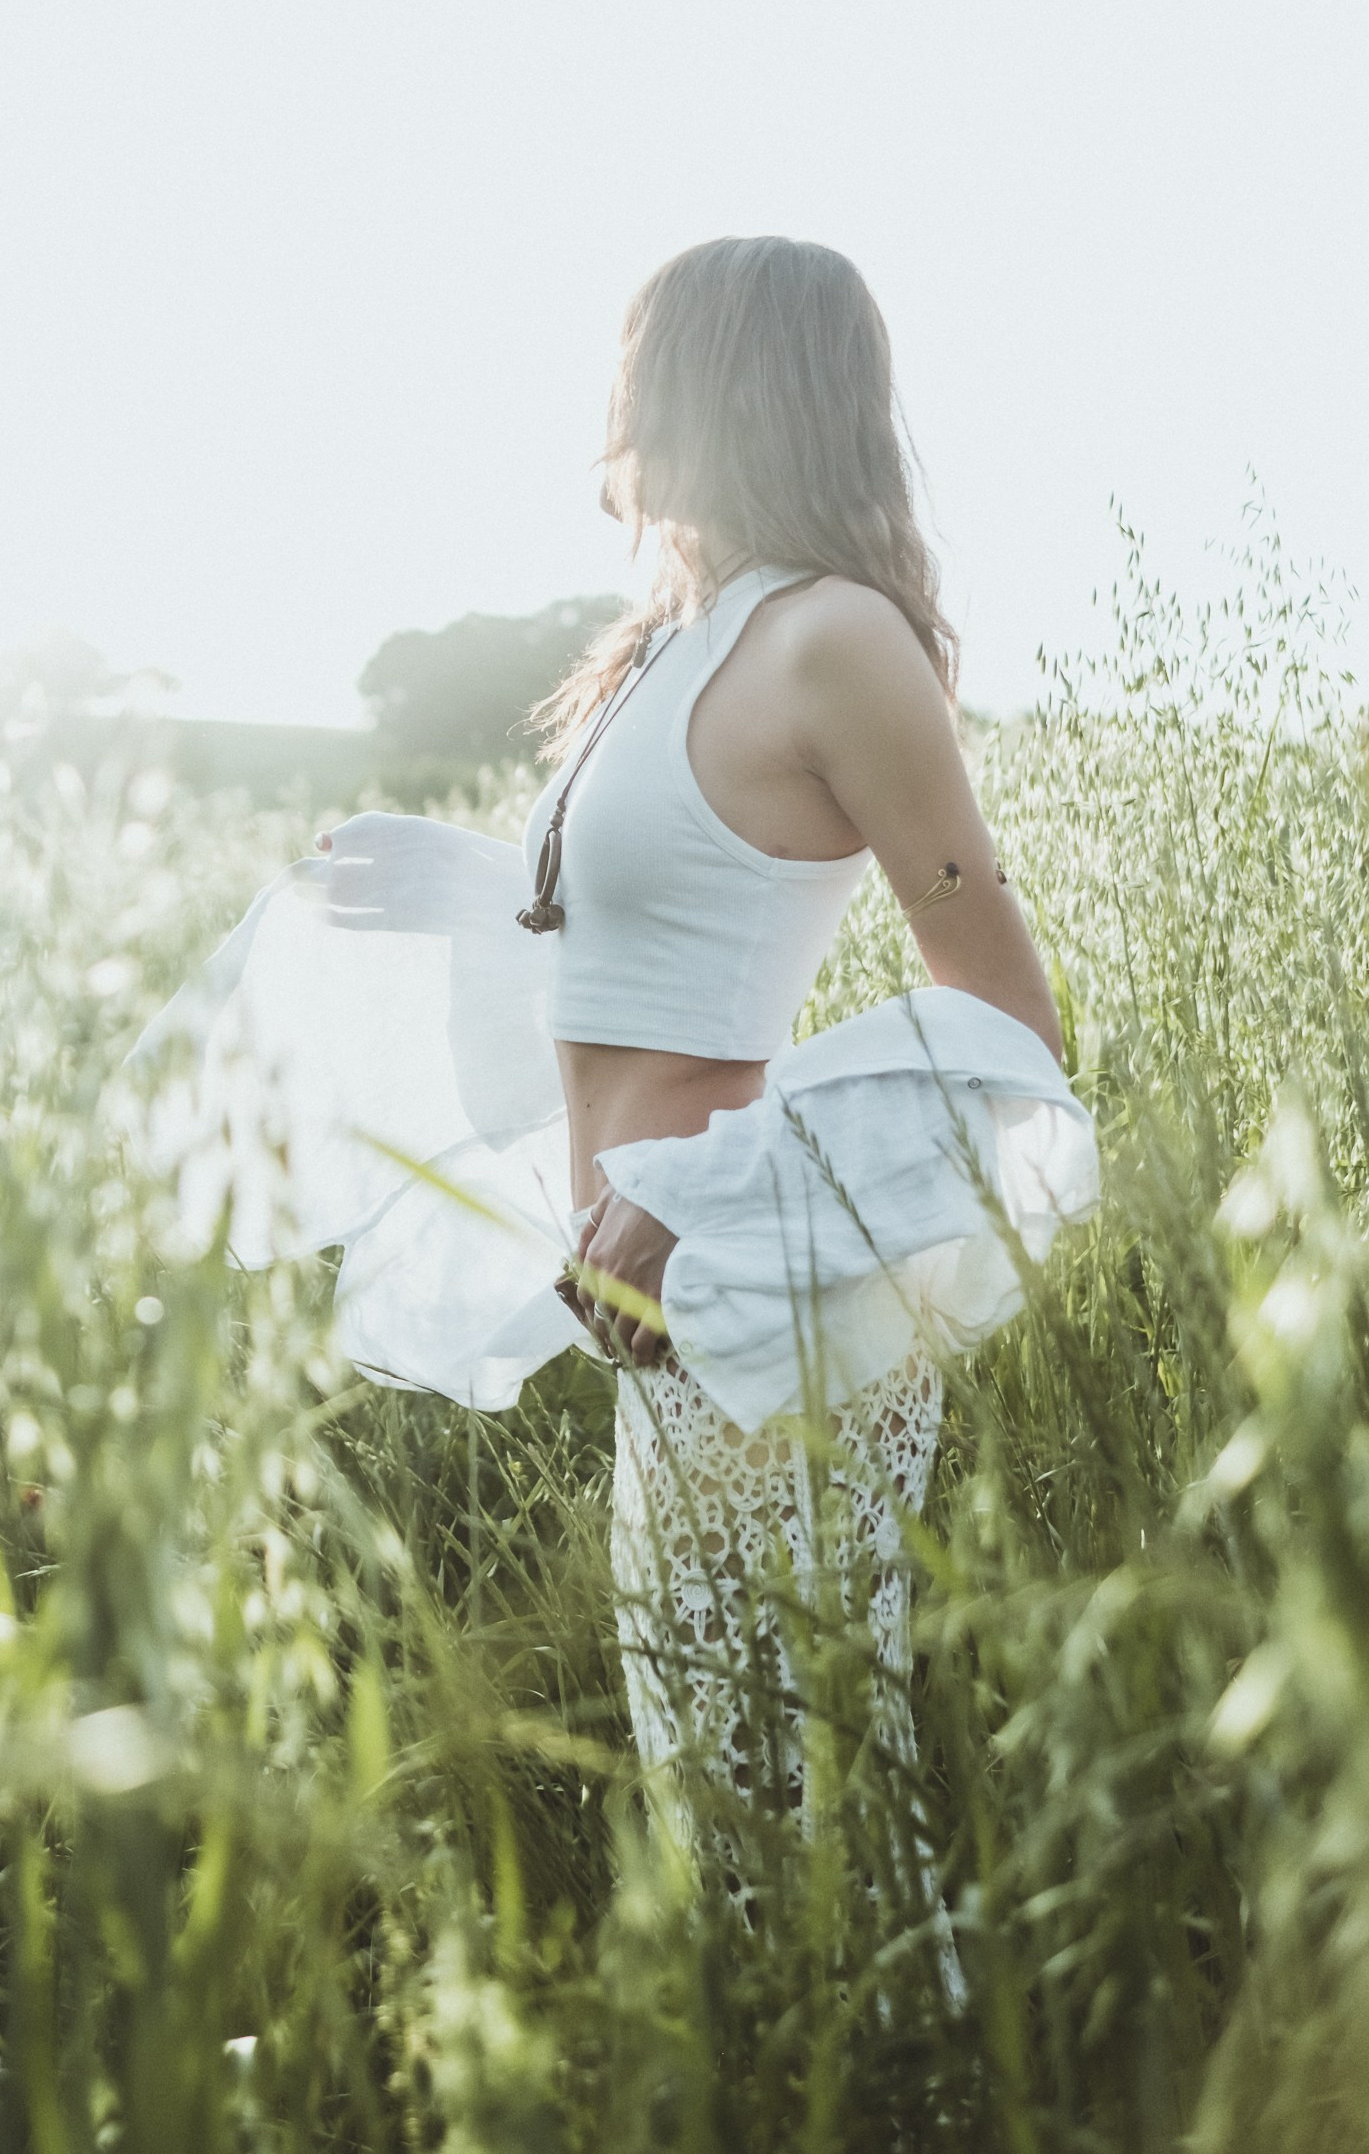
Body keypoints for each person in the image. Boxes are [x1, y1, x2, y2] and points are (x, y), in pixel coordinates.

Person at [135, 233, 1095, 1845]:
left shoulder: (831, 639)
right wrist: (466, 880)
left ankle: (899, 2094)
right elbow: (657, 938)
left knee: (797, 1804)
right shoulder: (670, 647)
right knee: (719, 1797)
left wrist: (716, 1180)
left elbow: (1004, 1019)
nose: (618, 399)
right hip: (662, 1310)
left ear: (728, 383)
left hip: (776, 1292)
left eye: (645, 360)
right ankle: (807, 2086)